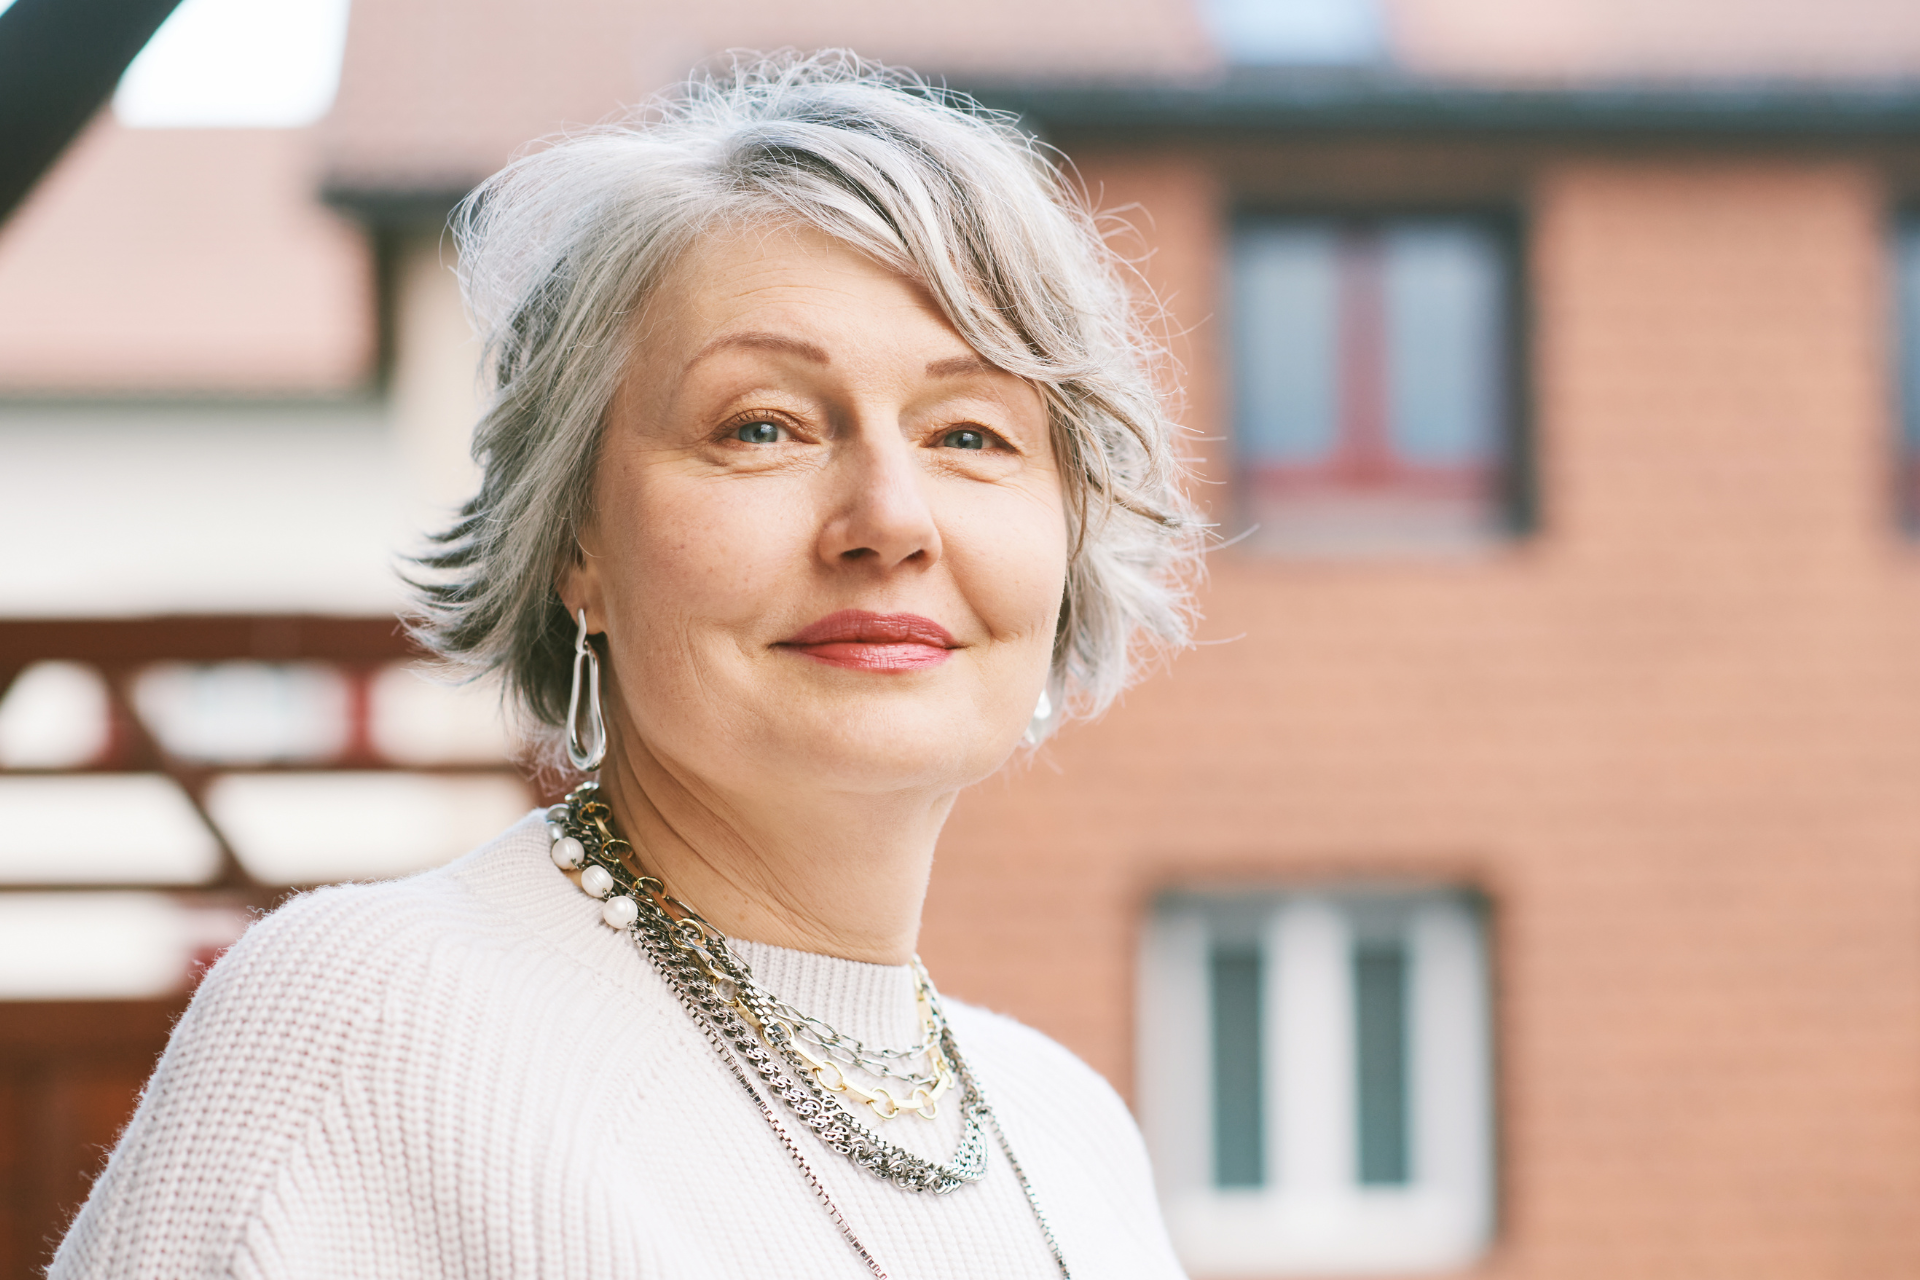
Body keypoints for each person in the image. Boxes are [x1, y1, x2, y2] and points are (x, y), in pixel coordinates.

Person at [51, 52, 1202, 1279]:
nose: (890, 516)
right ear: (576, 543)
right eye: (762, 425)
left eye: (970, 432)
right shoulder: (368, 1021)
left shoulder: (1070, 1127)